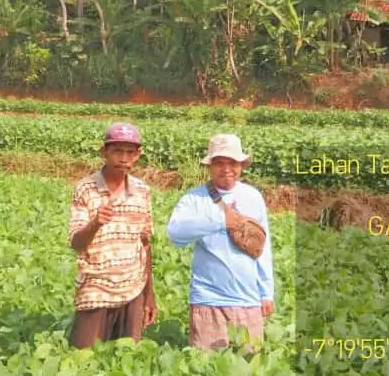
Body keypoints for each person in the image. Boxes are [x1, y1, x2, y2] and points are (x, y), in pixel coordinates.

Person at [166, 133, 275, 351]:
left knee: (248, 366)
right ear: (209, 166)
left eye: (232, 163)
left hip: (248, 300)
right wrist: (219, 220)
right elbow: (175, 233)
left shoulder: (253, 197)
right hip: (208, 301)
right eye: (219, 163)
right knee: (208, 367)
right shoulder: (194, 199)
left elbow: (263, 248)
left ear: (241, 165)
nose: (226, 169)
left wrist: (266, 293)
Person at [67, 121, 158, 348]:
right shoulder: (86, 189)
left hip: (133, 288)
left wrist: (149, 295)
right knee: (83, 359)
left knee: (125, 361)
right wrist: (95, 223)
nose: (124, 158)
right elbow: (76, 243)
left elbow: (145, 244)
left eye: (130, 152)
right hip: (95, 288)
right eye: (117, 151)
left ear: (138, 155)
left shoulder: (142, 191)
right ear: (104, 151)